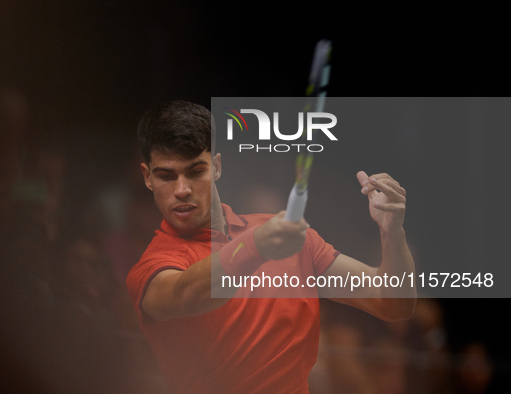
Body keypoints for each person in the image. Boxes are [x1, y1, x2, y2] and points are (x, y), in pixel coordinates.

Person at [126, 100, 416, 394]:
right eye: (166, 175)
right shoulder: (152, 267)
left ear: (216, 167)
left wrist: (392, 232)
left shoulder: (282, 236)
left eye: (195, 171)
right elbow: (187, 293)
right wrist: (256, 245)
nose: (182, 189)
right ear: (147, 177)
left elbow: (391, 302)